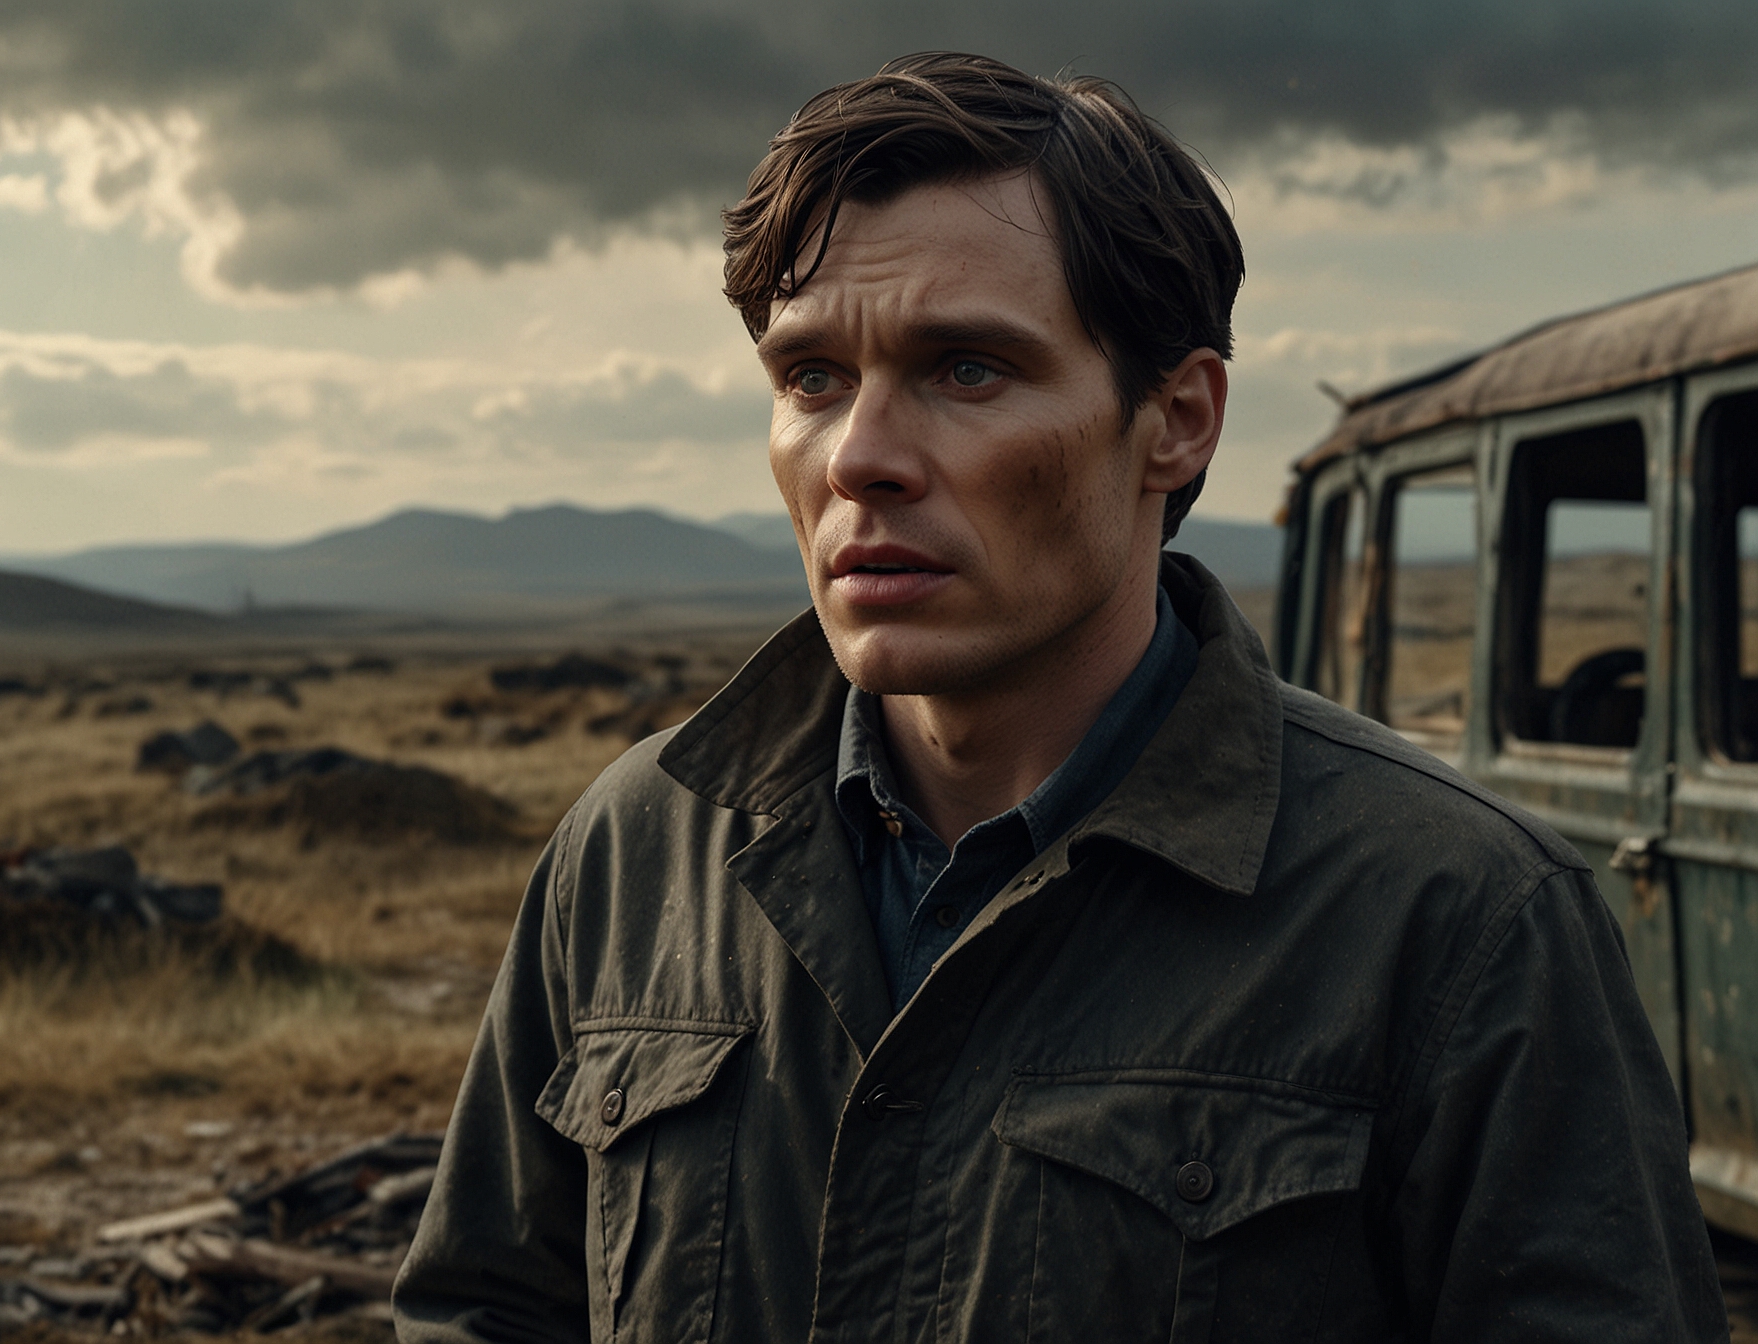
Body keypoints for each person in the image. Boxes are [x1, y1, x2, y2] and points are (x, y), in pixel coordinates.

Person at [393, 53, 1726, 1342]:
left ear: (1177, 421)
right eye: (811, 378)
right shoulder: (639, 851)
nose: (861, 457)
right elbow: (485, 1307)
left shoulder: (1461, 922)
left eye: (967, 369)